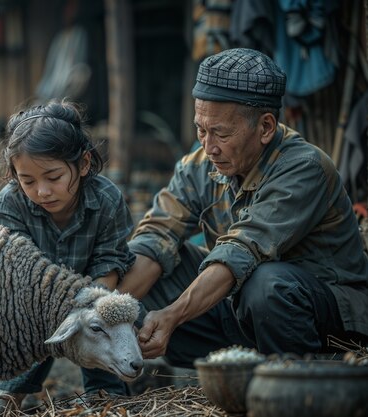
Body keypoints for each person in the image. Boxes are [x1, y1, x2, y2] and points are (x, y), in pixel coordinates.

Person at [119, 48, 368, 368]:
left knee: (266, 284)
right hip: (246, 313)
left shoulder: (304, 167)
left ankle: (297, 377)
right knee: (153, 267)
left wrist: (172, 315)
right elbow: (157, 235)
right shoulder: (199, 163)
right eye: (201, 129)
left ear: (265, 127)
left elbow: (242, 250)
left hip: (329, 322)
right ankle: (228, 370)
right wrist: (107, 309)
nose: (208, 146)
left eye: (221, 133)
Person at [0, 99, 137, 413]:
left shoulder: (107, 199)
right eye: (28, 181)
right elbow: (13, 270)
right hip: (31, 304)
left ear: (83, 165)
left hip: (93, 297)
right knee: (33, 334)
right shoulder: (11, 203)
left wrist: (88, 310)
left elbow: (110, 262)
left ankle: (104, 394)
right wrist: (54, 308)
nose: (41, 191)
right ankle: (10, 394)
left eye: (53, 177)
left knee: (99, 327)